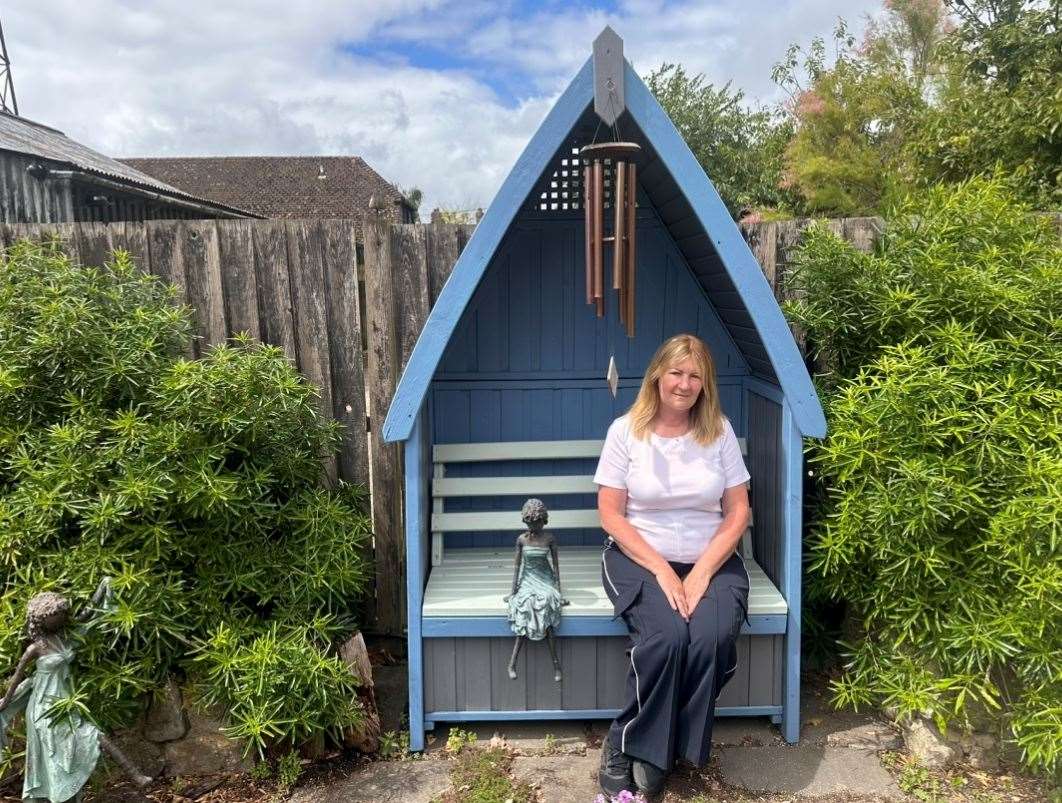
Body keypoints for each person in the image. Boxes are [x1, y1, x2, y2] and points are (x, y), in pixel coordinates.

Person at [593, 334, 751, 799]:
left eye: (694, 375)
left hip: (711, 557)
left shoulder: (717, 430)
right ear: (658, 375)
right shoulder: (626, 431)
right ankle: (628, 743)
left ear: (705, 384)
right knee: (666, 637)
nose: (684, 384)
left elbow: (738, 510)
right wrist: (663, 570)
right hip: (638, 557)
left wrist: (701, 571)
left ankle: (664, 748)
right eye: (676, 372)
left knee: (710, 637)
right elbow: (610, 513)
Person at [0, 581, 153, 802]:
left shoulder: (63, 637)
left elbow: (88, 614)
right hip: (45, 707)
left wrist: (102, 588)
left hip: (67, 700)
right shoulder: (36, 648)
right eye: (57, 615)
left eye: (63, 614)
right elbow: (18, 676)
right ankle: (134, 776)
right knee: (83, 739)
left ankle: (135, 776)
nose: (63, 618)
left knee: (92, 735)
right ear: (42, 620)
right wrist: (5, 702)